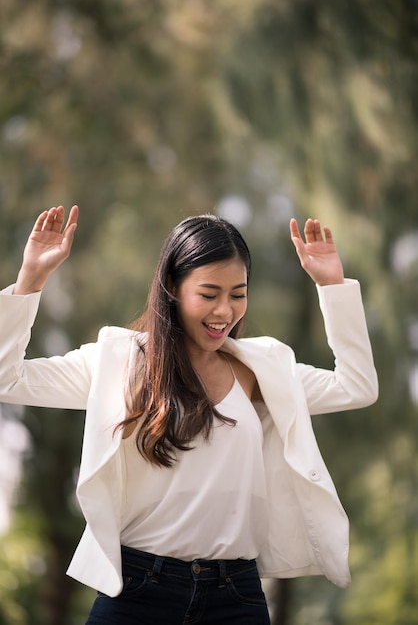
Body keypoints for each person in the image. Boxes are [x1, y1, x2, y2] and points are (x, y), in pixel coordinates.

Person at [0, 205, 378, 624]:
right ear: (173, 289)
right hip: (138, 591)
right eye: (209, 294)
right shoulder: (121, 362)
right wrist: (30, 278)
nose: (225, 312)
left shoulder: (261, 369)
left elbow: (356, 387)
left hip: (235, 597)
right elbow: (7, 380)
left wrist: (333, 286)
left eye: (238, 294)